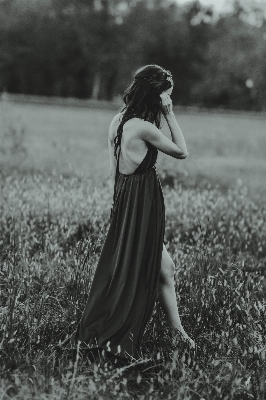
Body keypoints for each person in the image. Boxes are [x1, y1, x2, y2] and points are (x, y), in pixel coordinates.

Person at [63, 64, 195, 363]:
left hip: (125, 197)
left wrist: (116, 206)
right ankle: (164, 331)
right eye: (166, 97)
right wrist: (170, 114)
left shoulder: (118, 121)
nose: (168, 101)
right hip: (142, 201)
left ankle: (177, 332)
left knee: (164, 267)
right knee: (158, 266)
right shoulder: (144, 127)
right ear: (157, 96)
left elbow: (113, 172)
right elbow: (182, 151)